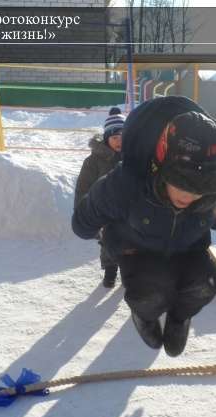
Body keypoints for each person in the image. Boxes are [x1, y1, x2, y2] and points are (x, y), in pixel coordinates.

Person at [72, 96, 216, 357]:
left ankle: (179, 317)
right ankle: (146, 316)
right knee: (151, 292)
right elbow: (89, 212)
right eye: (181, 185)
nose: (188, 197)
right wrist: (91, 228)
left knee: (207, 282)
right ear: (161, 166)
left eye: (198, 191)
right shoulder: (127, 182)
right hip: (137, 249)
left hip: (189, 248)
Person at [74, 107, 125, 288]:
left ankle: (129, 275)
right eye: (114, 138)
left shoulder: (134, 157)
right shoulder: (93, 161)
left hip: (129, 211)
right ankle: (110, 272)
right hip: (105, 211)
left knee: (131, 245)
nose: (119, 141)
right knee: (109, 244)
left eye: (122, 137)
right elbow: (83, 188)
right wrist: (85, 213)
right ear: (106, 138)